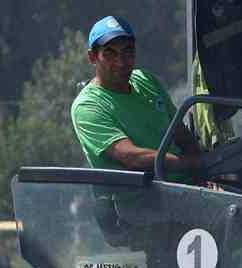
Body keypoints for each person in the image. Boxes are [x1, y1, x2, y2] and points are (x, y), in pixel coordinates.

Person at [71, 15, 204, 173]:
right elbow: (132, 157)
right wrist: (196, 164)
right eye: (110, 53)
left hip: (189, 189)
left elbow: (182, 135)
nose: (121, 62)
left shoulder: (146, 80)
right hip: (144, 195)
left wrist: (205, 176)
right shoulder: (87, 106)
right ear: (93, 57)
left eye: (128, 52)